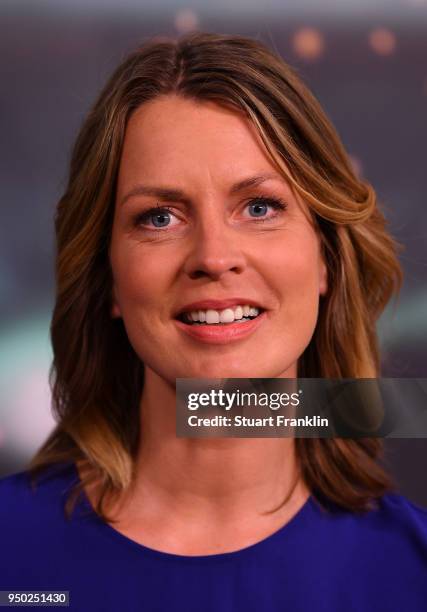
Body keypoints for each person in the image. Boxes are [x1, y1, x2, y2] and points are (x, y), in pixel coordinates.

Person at [1, 31, 426, 611]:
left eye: (259, 207)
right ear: (109, 279)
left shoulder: (412, 569)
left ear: (326, 257)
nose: (212, 256)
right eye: (159, 217)